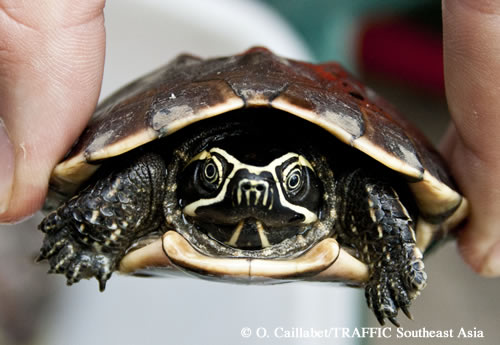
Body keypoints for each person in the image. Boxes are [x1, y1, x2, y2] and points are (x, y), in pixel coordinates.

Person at [0, 0, 498, 277]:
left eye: (293, 181)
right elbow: (136, 167)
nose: (255, 190)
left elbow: (373, 184)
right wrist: (89, 230)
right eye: (213, 175)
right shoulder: (155, 175)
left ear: (320, 183)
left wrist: (394, 254)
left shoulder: (348, 185)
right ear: (189, 173)